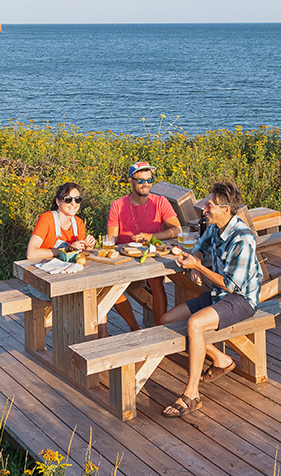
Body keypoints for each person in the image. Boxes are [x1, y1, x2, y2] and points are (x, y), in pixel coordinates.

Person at [159, 181, 262, 418]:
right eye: (207, 203)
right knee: (166, 320)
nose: (205, 208)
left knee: (194, 324)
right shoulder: (216, 227)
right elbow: (200, 245)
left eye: (210, 205)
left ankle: (192, 394)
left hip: (241, 299)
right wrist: (196, 259)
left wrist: (198, 267)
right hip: (218, 295)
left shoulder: (243, 238)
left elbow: (231, 284)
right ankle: (220, 358)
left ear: (226, 209)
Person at [107, 161, 182, 325]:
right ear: (131, 181)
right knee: (109, 289)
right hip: (126, 257)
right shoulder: (117, 205)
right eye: (141, 180)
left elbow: (177, 230)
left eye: (149, 180)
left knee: (156, 281)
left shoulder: (160, 202)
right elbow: (111, 239)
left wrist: (152, 236)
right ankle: (134, 327)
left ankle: (161, 327)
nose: (146, 184)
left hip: (151, 254)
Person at [26, 182, 97, 260]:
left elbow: (80, 254)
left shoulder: (79, 223)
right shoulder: (47, 219)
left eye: (77, 199)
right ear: (58, 201)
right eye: (68, 199)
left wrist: (89, 247)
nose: (73, 203)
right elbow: (31, 253)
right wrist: (68, 249)